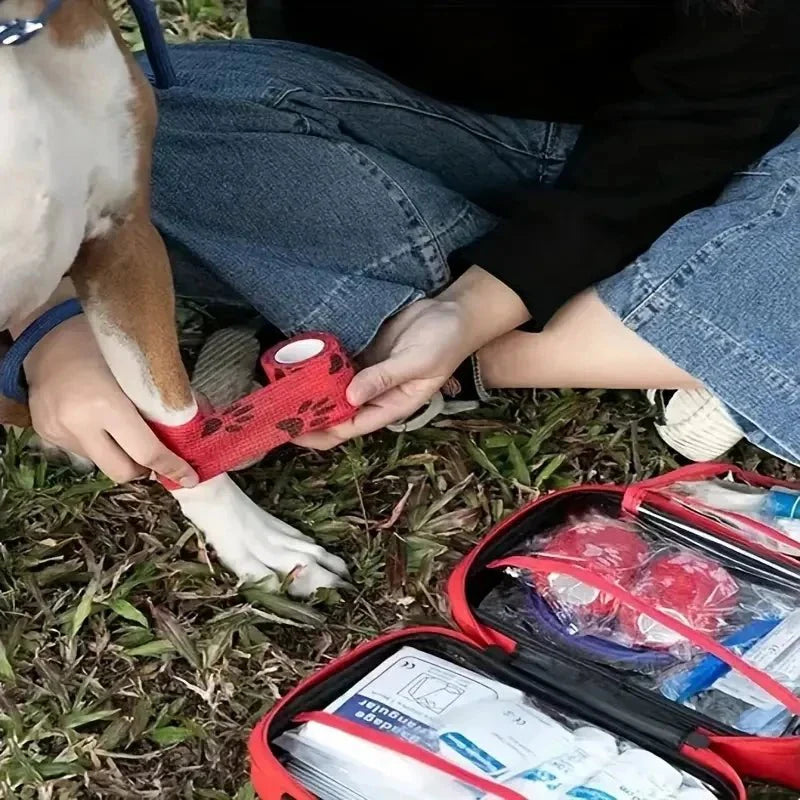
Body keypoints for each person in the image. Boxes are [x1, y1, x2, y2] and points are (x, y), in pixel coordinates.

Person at [14, 0, 800, 481]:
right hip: (400, 111)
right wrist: (50, 330)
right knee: (122, 121)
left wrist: (473, 312)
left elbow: (703, 122)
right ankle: (683, 317)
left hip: (749, 137)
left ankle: (493, 352)